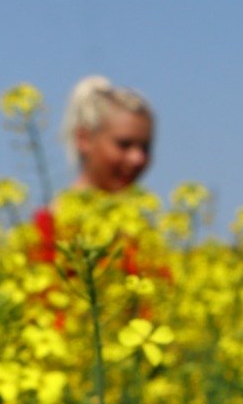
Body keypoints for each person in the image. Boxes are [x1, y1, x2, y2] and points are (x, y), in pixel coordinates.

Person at [32, 75, 155, 264]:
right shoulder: (51, 225)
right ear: (83, 139)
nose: (138, 158)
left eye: (145, 147)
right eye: (124, 145)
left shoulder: (141, 225)